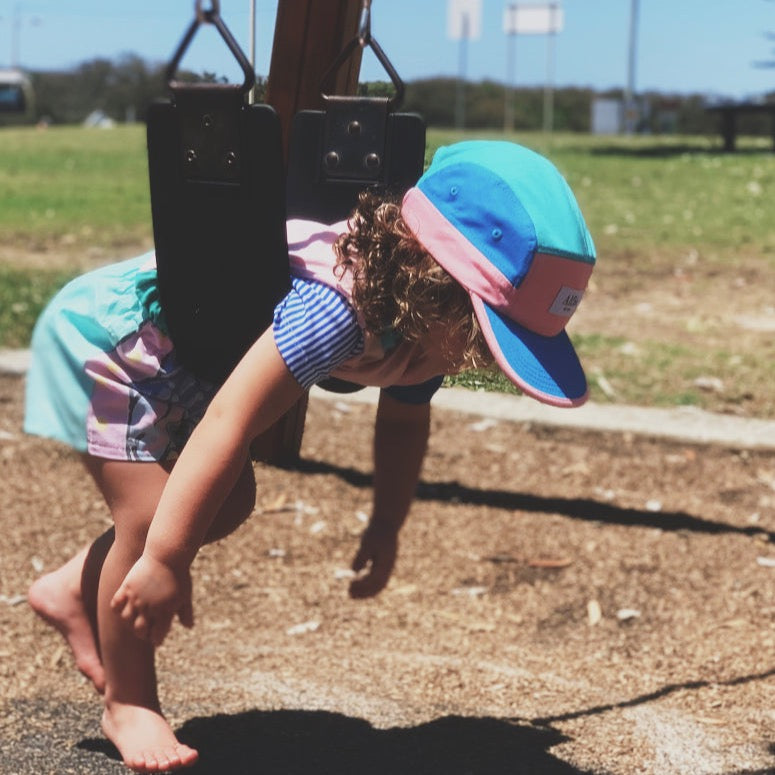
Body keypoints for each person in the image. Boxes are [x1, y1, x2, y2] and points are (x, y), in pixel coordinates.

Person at [25, 140, 596, 773]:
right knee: (149, 523)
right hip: (111, 343)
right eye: (483, 332)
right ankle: (128, 702)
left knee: (227, 504)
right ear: (431, 279)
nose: (478, 358)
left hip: (178, 365)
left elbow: (403, 424)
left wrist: (387, 523)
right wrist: (165, 560)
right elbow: (231, 420)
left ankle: (71, 589)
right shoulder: (336, 307)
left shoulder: (426, 335)